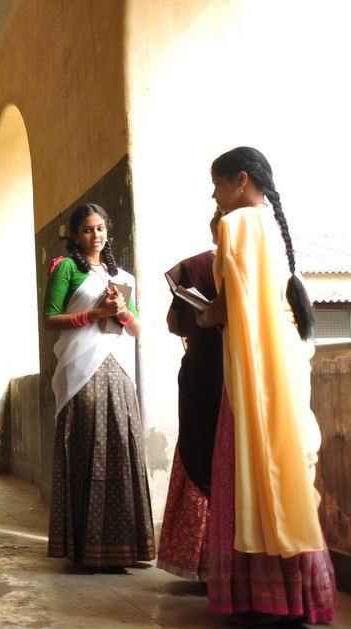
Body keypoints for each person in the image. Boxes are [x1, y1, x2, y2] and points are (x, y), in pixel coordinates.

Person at [197, 146, 336, 624]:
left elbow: (233, 305)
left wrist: (207, 314)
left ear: (240, 179)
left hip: (252, 370)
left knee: (249, 470)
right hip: (283, 367)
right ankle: (295, 597)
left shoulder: (238, 225)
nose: (214, 195)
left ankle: (259, 599)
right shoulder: (273, 227)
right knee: (284, 470)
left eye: (217, 184)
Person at [43, 203, 155, 570]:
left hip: (119, 369)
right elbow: (50, 319)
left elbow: (136, 328)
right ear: (76, 235)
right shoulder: (66, 268)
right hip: (81, 370)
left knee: (123, 443)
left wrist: (120, 311)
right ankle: (85, 546)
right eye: (88, 230)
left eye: (101, 229)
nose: (96, 236)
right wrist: (94, 314)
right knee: (86, 444)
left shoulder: (121, 277)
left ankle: (125, 545)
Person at [156, 209, 224, 581]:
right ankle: (234, 563)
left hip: (202, 373)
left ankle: (199, 558)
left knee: (200, 454)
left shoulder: (195, 267)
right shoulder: (260, 261)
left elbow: (174, 324)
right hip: (242, 375)